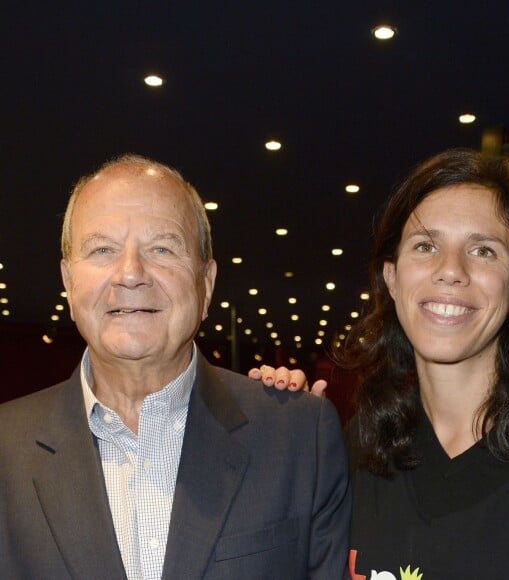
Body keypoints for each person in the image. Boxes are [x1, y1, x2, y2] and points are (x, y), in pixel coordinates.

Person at [0, 154, 351, 579]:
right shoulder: (7, 452)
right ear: (69, 282)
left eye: (162, 248)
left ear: (206, 284)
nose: (130, 273)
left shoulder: (298, 436)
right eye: (102, 249)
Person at [252, 148, 509, 579]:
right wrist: (283, 437)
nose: (450, 270)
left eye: (483, 251)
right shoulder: (360, 447)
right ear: (392, 278)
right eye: (426, 246)